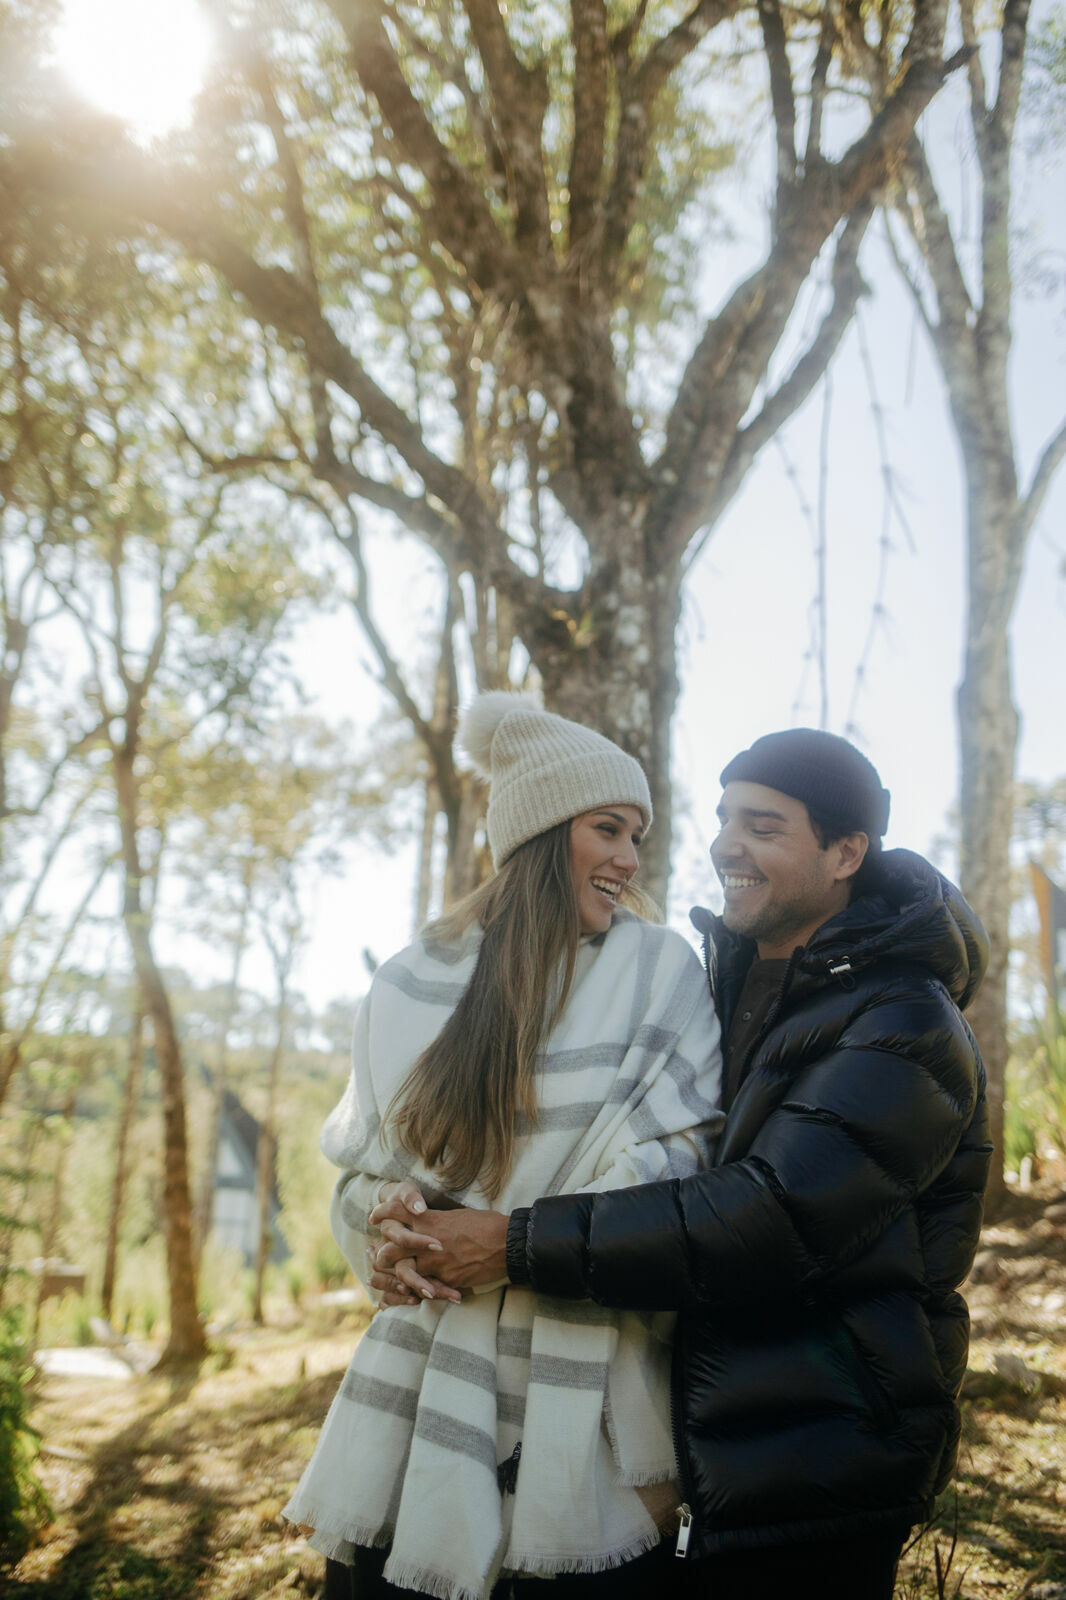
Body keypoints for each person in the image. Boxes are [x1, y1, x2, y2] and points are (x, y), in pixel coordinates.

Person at [371, 728, 991, 1600]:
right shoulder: (723, 986)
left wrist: (510, 1245)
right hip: (717, 1439)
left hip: (825, 1448)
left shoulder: (905, 1025)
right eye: (725, 818)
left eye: (765, 826)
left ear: (846, 852)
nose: (727, 845)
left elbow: (771, 1215)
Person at [283, 693, 723, 1600]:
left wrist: (511, 1242)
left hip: (589, 1413)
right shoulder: (410, 981)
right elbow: (359, 1173)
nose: (630, 860)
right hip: (413, 1406)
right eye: (608, 828)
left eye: (637, 835)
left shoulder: (658, 972)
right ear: (542, 831)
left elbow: (682, 1169)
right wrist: (389, 1225)